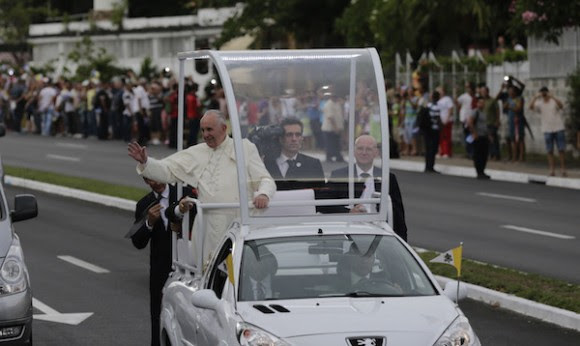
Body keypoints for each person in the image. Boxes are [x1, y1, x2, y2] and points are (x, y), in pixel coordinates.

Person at [128, 110, 276, 264]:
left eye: (210, 129)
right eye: (203, 130)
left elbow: (265, 179)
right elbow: (167, 169)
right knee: (210, 271)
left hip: (239, 222)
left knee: (240, 272)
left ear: (224, 128)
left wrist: (264, 194)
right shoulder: (197, 152)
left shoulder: (244, 148)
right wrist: (146, 161)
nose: (205, 135)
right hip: (208, 227)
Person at [330, 135, 408, 241]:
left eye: (369, 149)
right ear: (354, 151)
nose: (364, 152)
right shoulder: (339, 175)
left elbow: (398, 215)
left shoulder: (388, 177)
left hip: (378, 232)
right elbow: (326, 206)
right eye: (360, 148)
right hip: (346, 232)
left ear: (376, 153)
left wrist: (401, 243)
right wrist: (348, 212)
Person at [129, 178, 177, 346]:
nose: (155, 181)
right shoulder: (145, 204)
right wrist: (149, 222)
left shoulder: (183, 194)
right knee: (158, 315)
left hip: (187, 265)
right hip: (160, 268)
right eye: (149, 179)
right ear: (146, 181)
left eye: (157, 176)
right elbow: (138, 241)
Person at [264, 117, 325, 191]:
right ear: (280, 138)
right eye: (289, 135)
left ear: (302, 138)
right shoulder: (266, 164)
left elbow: (320, 194)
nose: (294, 139)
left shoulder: (313, 164)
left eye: (298, 135)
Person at [530, 86, 567, 177]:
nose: (544, 95)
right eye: (543, 93)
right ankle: (552, 170)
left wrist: (552, 96)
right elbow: (530, 107)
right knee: (549, 151)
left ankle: (563, 169)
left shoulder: (553, 101)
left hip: (558, 128)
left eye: (545, 93)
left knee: (561, 150)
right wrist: (535, 97)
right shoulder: (539, 103)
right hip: (547, 129)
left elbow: (561, 106)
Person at [468, 97, 490, 179]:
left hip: (484, 136)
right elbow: (470, 122)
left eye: (483, 102)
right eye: (480, 102)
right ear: (477, 103)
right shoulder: (475, 112)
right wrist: (474, 133)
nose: (482, 104)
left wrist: (488, 135)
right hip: (478, 136)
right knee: (478, 155)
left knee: (484, 155)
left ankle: (482, 171)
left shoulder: (484, 113)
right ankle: (479, 172)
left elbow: (485, 125)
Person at [321, 93, 344, 162]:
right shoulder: (329, 104)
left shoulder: (337, 103)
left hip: (338, 127)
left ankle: (338, 157)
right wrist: (335, 127)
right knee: (330, 143)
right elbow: (330, 117)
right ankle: (329, 157)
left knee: (337, 143)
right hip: (330, 128)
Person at [424, 91, 442, 173]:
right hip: (434, 129)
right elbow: (437, 119)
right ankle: (430, 166)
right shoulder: (437, 107)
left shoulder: (428, 105)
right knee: (433, 148)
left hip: (427, 129)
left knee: (428, 148)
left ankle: (427, 166)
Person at [481, 86, 501, 161]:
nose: (483, 93)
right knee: (487, 140)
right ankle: (490, 154)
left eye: (484, 91)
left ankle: (496, 154)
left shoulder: (492, 100)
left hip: (492, 122)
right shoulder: (482, 101)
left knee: (493, 139)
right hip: (484, 123)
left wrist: (497, 120)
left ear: (487, 92)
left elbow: (497, 110)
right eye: (482, 92)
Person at [436, 86, 454, 158]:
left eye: (439, 91)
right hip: (440, 121)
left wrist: (447, 118)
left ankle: (447, 152)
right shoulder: (438, 100)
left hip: (446, 120)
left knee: (446, 137)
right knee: (439, 137)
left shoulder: (447, 99)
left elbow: (450, 109)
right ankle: (441, 151)